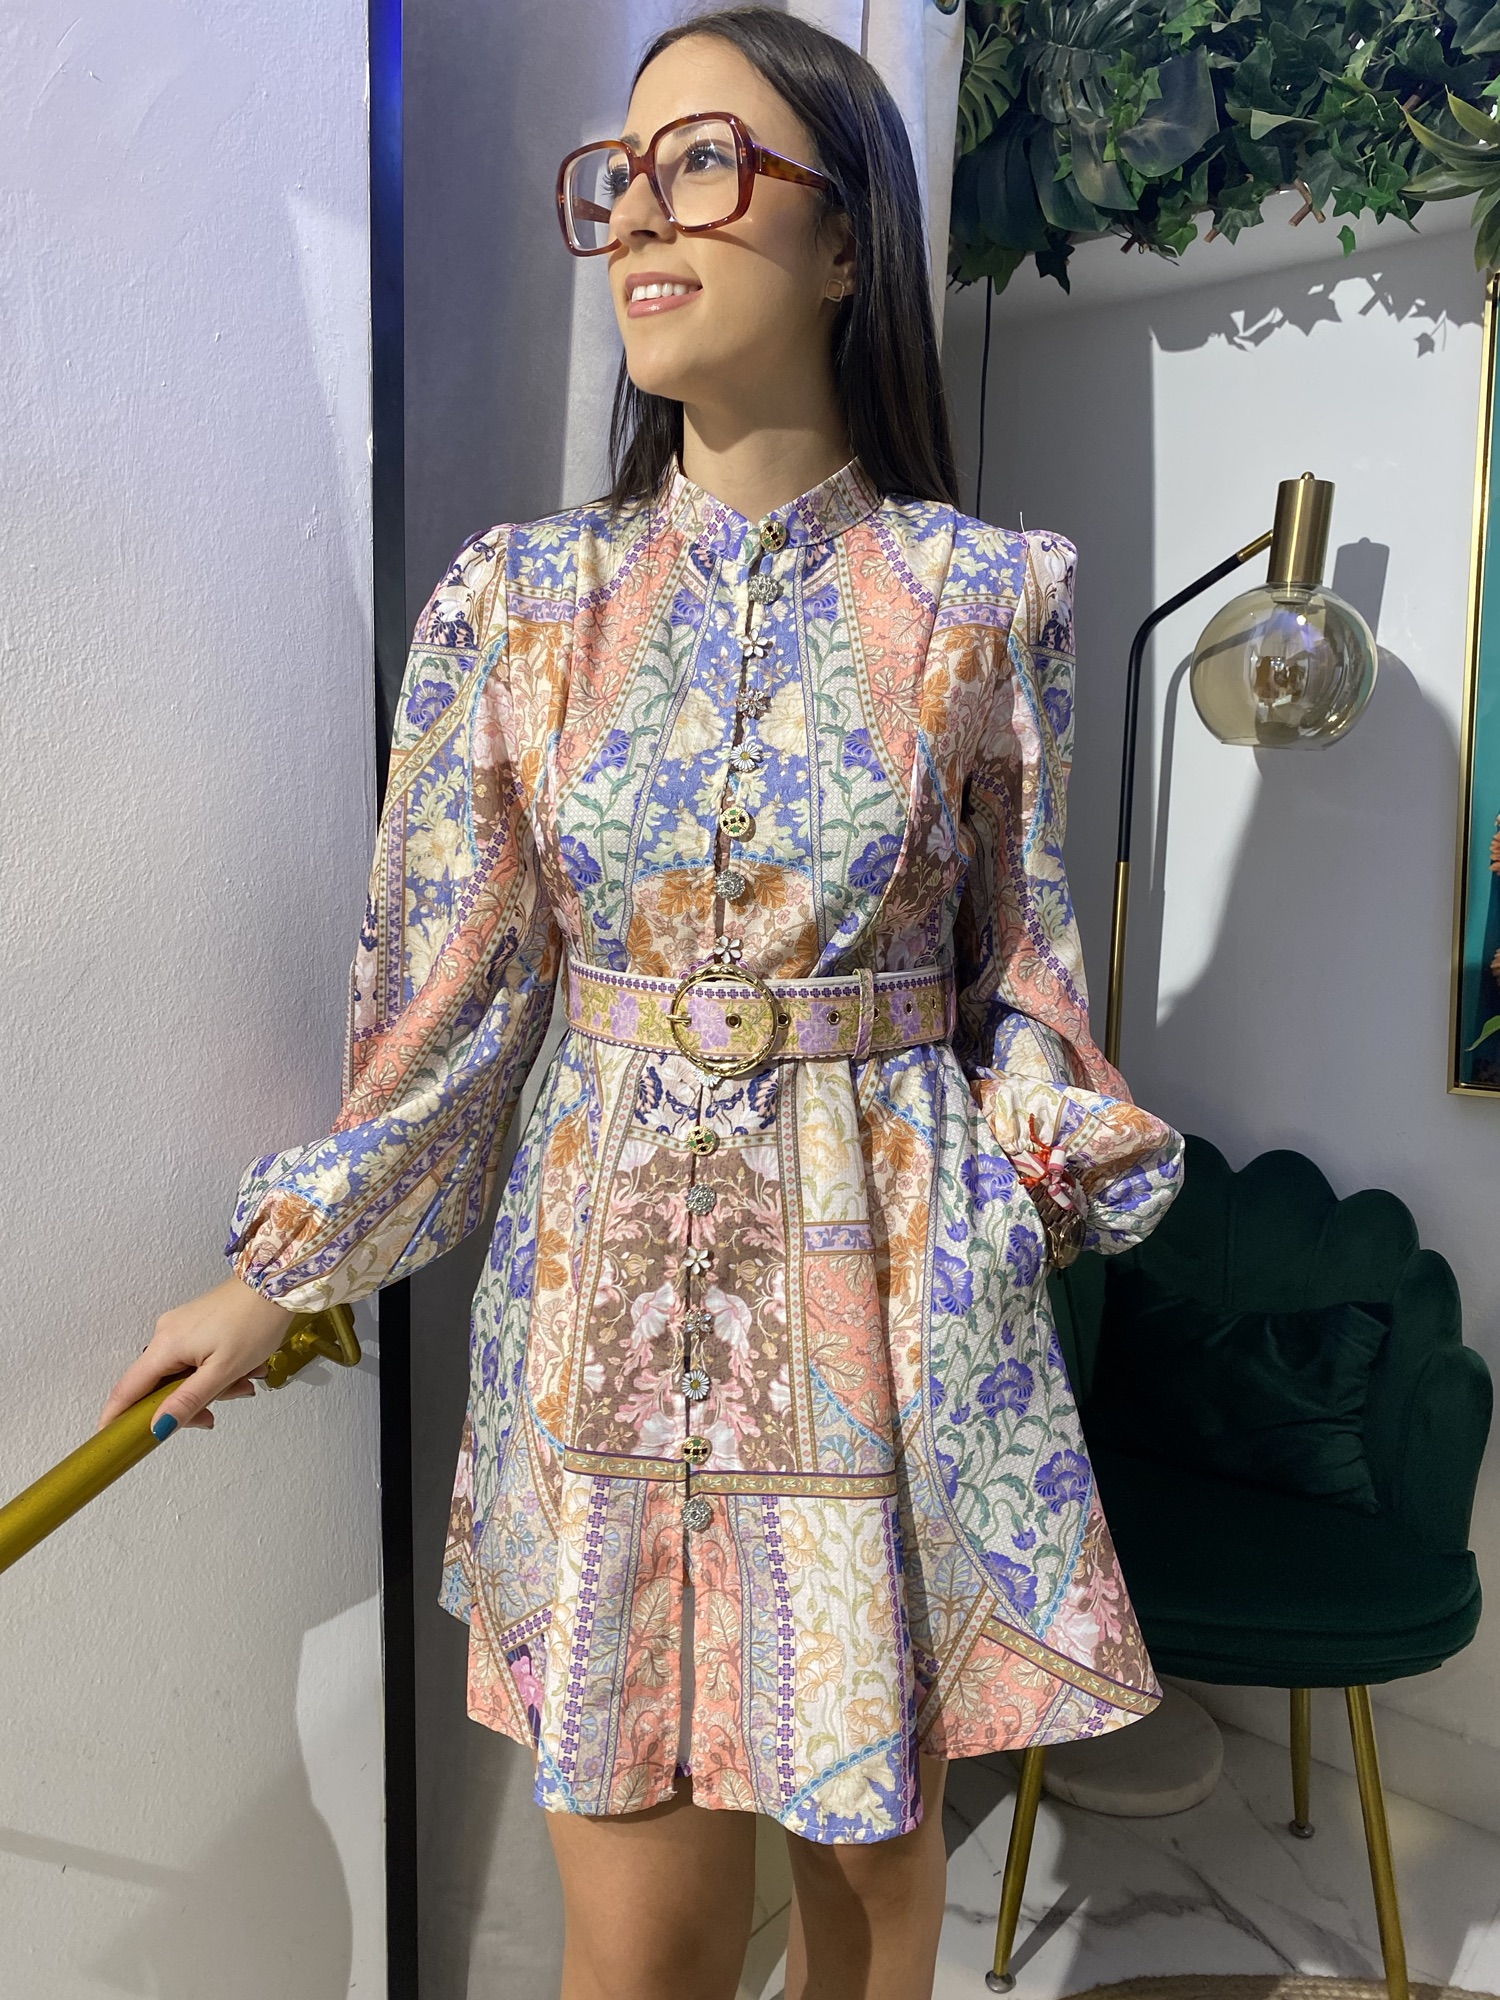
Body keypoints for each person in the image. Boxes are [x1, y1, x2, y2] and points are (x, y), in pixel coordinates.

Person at [100, 10, 1185, 1997]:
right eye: (620, 173)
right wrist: (287, 1268)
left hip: (881, 1305)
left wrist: (1046, 1140)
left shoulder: (985, 596)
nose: (640, 214)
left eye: (707, 161)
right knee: (639, 1943)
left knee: (869, 1911)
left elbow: (1019, 965)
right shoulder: (521, 608)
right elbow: (453, 987)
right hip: (599, 1307)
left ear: (846, 241)